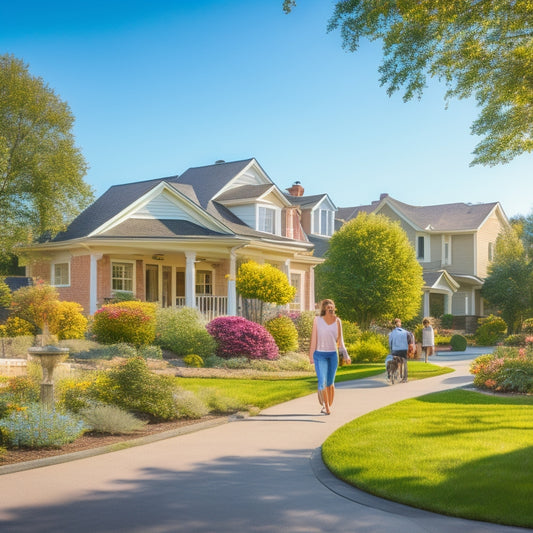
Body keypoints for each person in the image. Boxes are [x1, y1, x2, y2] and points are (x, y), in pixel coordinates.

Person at [309, 299, 350, 415]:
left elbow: (340, 341)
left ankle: (327, 403)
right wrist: (311, 356)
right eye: (328, 308)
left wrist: (346, 355)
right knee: (322, 381)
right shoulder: (317, 320)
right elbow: (314, 338)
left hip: (332, 355)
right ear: (324, 309)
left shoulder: (338, 321)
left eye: (332, 308)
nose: (330, 309)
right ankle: (326, 407)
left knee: (330, 383)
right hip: (319, 355)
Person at [388, 318, 414, 383]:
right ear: (400, 324)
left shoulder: (391, 333)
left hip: (395, 350)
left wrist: (391, 350)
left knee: (396, 363)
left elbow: (390, 342)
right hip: (403, 350)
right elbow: (410, 342)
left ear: (394, 325)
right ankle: (404, 378)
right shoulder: (406, 332)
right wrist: (410, 350)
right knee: (404, 362)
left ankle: (394, 375)